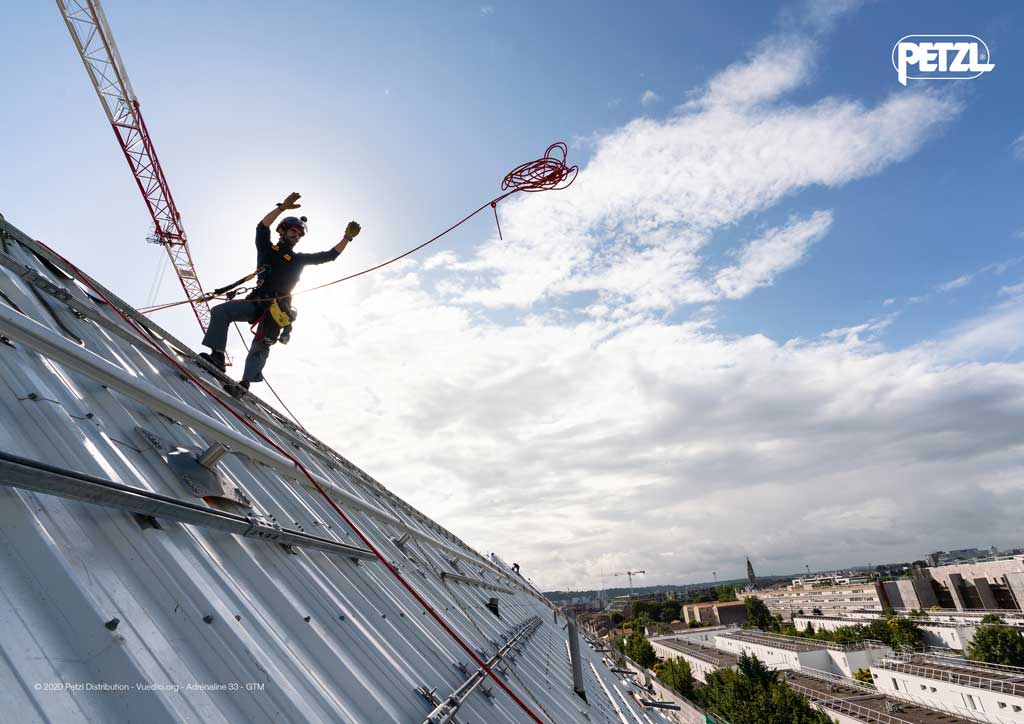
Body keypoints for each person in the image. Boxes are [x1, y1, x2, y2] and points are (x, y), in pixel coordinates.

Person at [199, 192, 359, 392]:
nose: (297, 236)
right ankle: (218, 357)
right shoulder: (267, 250)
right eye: (294, 231)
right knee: (221, 311)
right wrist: (281, 208)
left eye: (300, 234)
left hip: (277, 310)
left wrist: (346, 238)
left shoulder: (298, 260)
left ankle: (245, 383)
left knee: (261, 345)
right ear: (283, 231)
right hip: (256, 302)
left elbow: (328, 256)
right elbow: (262, 227)